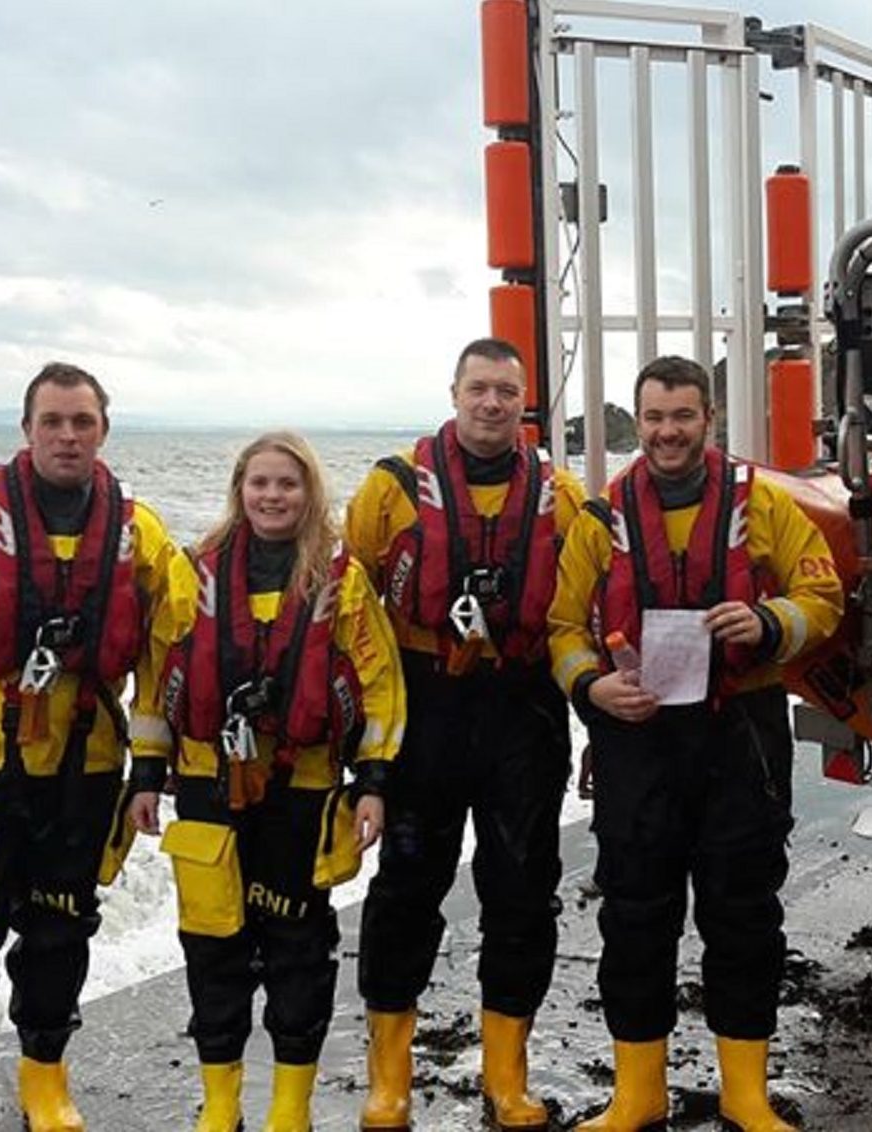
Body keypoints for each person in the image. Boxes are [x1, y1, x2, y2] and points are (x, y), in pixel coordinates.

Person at [0, 362, 195, 1132]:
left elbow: (169, 644)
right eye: (52, 421)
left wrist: (150, 765)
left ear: (103, 432)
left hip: (82, 775)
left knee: (59, 933)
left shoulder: (139, 534)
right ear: (26, 430)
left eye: (81, 422)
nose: (66, 435)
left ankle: (45, 1080)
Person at [548, 356, 843, 1132]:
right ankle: (635, 1093)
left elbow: (823, 595)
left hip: (739, 734)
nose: (667, 431)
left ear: (708, 420)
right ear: (635, 422)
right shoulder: (599, 517)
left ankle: (745, 1093)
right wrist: (590, 688)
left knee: (743, 911)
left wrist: (770, 621)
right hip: (636, 738)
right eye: (653, 417)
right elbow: (560, 629)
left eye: (682, 416)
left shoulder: (764, 505)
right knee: (634, 914)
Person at [344, 338, 587, 1131]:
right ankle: (389, 1079)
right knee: (407, 890)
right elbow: (351, 613)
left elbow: (585, 613)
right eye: (478, 388)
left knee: (521, 891)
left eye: (506, 392)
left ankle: (506, 1075)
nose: (491, 404)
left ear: (524, 404)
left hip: (523, 712)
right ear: (452, 392)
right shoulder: (388, 491)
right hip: (426, 710)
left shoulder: (565, 497)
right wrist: (359, 747)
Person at [134, 430, 404, 1132]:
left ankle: (290, 1109)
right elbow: (156, 678)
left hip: (303, 787)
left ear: (309, 492)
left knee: (298, 949)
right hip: (205, 787)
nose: (272, 496)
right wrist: (144, 775)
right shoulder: (193, 575)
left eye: (287, 483)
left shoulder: (341, 581)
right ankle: (219, 1106)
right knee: (212, 944)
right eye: (260, 483)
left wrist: (372, 781)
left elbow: (378, 685)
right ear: (239, 490)